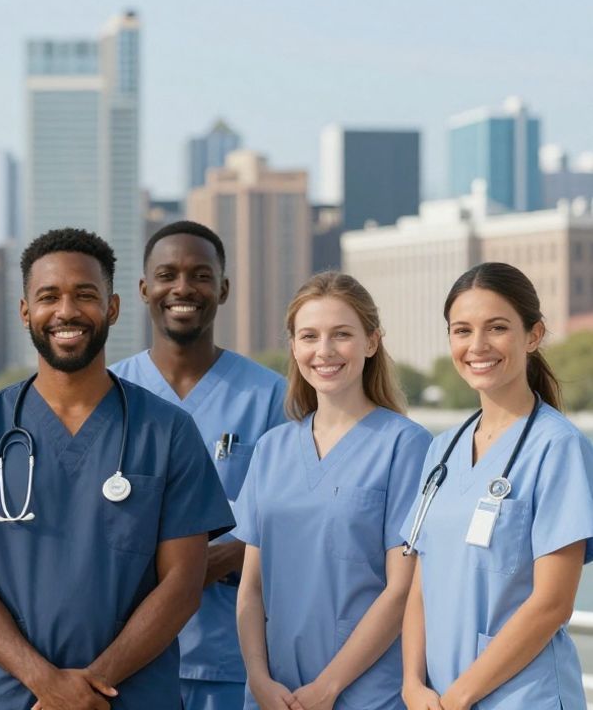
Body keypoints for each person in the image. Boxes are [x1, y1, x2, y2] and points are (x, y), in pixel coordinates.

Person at [0, 227, 233, 710]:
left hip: (133, 697)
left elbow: (182, 586)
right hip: (14, 698)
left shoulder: (167, 431)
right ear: (26, 312)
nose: (66, 311)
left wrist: (91, 686)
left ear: (113, 308)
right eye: (48, 297)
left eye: (85, 295)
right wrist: (46, 684)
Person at [400, 262, 593, 710]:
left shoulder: (557, 447)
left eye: (498, 328)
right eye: (462, 330)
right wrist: (412, 682)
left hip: (523, 698)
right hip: (438, 697)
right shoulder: (442, 452)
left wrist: (460, 697)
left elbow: (553, 604)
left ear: (533, 335)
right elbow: (421, 584)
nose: (477, 346)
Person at [109, 221, 286, 710]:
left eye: (201, 275)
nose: (183, 288)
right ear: (144, 289)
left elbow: (289, 517)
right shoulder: (109, 395)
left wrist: (216, 561)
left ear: (223, 289)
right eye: (167, 274)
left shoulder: (271, 396)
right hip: (126, 658)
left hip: (233, 659)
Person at [233, 272, 429, 710]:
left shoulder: (406, 446)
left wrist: (328, 687)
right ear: (294, 346)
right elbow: (250, 588)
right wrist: (259, 680)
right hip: (273, 696)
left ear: (372, 341)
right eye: (309, 336)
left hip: (364, 695)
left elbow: (401, 591)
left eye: (342, 334)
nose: (324, 351)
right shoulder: (272, 449)